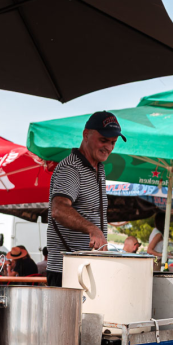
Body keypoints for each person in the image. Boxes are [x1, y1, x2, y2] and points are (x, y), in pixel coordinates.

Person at [45, 111, 123, 286]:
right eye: (104, 140)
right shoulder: (71, 168)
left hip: (87, 268)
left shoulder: (98, 168)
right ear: (86, 134)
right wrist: (93, 229)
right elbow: (58, 209)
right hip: (66, 270)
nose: (109, 147)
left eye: (113, 143)